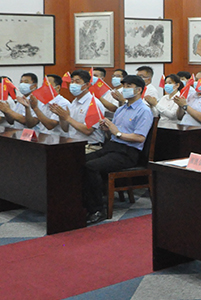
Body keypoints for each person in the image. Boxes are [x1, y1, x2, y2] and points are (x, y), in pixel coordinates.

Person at [83, 74, 154, 225]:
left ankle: (97, 210)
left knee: (91, 167)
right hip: (112, 147)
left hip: (128, 152)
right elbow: (114, 133)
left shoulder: (144, 110)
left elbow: (140, 137)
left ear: (139, 90)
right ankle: (84, 203)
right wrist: (107, 129)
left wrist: (117, 133)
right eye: (124, 86)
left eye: (129, 86)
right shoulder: (121, 109)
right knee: (79, 160)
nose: (125, 89)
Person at [51, 70, 105, 146]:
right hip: (73, 143)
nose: (73, 84)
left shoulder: (94, 103)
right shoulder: (74, 102)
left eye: (77, 82)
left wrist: (67, 118)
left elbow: (88, 130)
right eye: (72, 81)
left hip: (90, 146)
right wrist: (61, 116)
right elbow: (65, 129)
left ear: (87, 85)